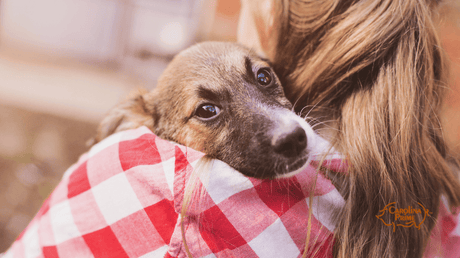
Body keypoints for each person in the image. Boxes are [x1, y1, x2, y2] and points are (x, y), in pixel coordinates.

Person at [3, 0, 460, 258]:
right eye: (207, 111)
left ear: (264, 12)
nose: (285, 128)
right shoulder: (429, 200)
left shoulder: (156, 190)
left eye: (262, 78)